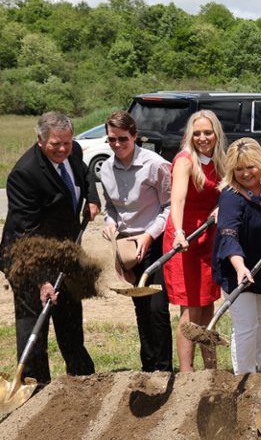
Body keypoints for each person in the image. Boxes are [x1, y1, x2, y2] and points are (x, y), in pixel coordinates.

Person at [0, 112, 101, 384]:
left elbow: (84, 172)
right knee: (35, 320)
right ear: (40, 139)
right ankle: (35, 386)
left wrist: (91, 197)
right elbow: (27, 234)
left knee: (69, 316)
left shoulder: (72, 150)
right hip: (26, 256)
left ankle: (82, 381)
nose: (62, 149)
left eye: (67, 143)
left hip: (64, 253)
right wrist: (42, 280)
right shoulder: (25, 174)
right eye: (55, 144)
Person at [99, 111, 173, 372]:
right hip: (127, 248)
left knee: (156, 309)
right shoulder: (106, 168)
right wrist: (110, 223)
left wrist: (149, 234)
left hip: (154, 243)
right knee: (140, 308)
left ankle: (164, 369)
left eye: (123, 139)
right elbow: (110, 206)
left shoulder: (156, 165)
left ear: (135, 136)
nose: (117, 144)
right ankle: (148, 367)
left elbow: (169, 206)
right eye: (111, 140)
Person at [212, 139, 261, 375]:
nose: (245, 173)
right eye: (238, 169)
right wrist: (239, 266)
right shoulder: (231, 196)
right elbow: (228, 235)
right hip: (237, 269)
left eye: (251, 167)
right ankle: (245, 379)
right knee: (246, 327)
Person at [163, 110, 227, 373]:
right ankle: (187, 375)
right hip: (184, 239)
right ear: (190, 135)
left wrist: (221, 206)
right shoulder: (185, 161)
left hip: (208, 236)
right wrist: (179, 231)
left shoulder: (220, 159)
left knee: (208, 304)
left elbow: (229, 190)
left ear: (216, 134)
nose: (202, 138)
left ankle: (210, 370)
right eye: (197, 133)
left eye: (207, 133)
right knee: (190, 309)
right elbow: (176, 200)